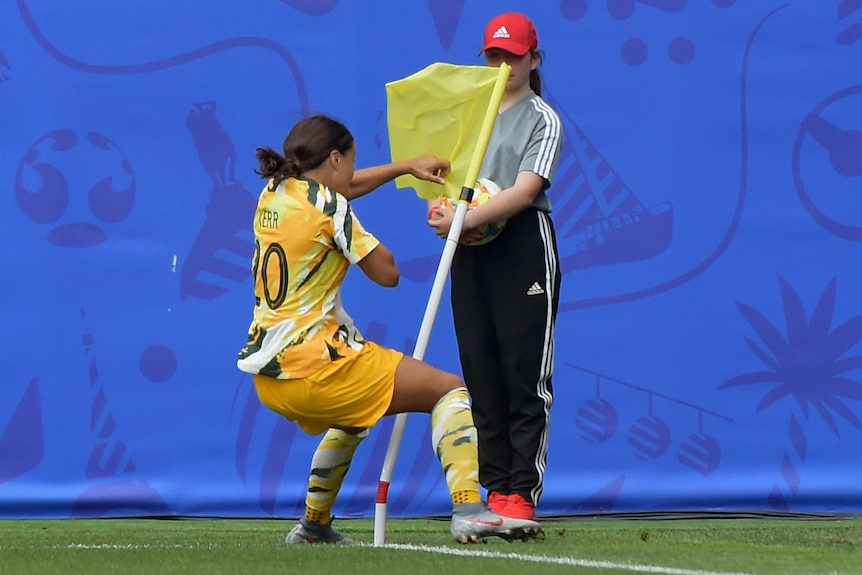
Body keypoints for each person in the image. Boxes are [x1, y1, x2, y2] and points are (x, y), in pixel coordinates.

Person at [237, 114, 542, 545]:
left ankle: (313, 527)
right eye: (351, 162)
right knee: (448, 389)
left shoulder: (273, 193)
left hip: (270, 378)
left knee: (355, 418)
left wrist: (403, 168)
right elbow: (388, 273)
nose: (352, 173)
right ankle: (470, 508)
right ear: (336, 158)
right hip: (320, 366)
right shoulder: (331, 207)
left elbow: (345, 187)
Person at [428, 12, 562, 527]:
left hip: (523, 244)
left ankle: (520, 494)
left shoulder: (542, 119)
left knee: (523, 370)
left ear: (533, 58)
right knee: (480, 368)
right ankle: (493, 488)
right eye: (494, 56)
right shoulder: (469, 114)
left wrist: (463, 220)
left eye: (513, 56)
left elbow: (526, 191)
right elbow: (449, 184)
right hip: (470, 246)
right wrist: (442, 211)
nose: (503, 65)